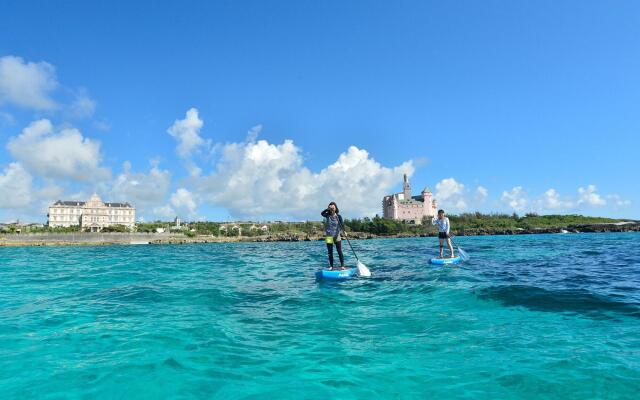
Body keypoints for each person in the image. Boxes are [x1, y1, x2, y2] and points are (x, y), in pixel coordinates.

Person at [321, 202, 345, 270]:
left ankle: (342, 265)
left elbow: (342, 225)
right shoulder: (327, 215)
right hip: (329, 236)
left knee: (339, 251)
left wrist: (344, 231)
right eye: (331, 207)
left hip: (337, 236)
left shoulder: (338, 216)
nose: (332, 209)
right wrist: (327, 209)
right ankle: (331, 266)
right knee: (330, 252)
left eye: (333, 207)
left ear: (335, 208)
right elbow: (322, 213)